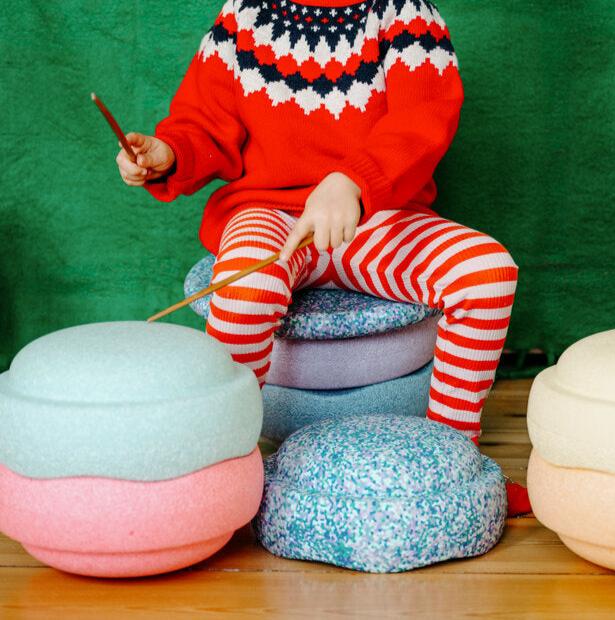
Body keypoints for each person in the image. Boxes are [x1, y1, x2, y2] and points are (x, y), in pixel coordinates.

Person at [116, 0, 529, 514]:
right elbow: (204, 123)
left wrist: (352, 181)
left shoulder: (407, 15)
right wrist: (169, 152)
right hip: (269, 212)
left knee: (487, 275)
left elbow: (424, 118)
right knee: (245, 291)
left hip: (374, 216)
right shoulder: (243, 17)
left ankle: (450, 458)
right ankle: (223, 469)